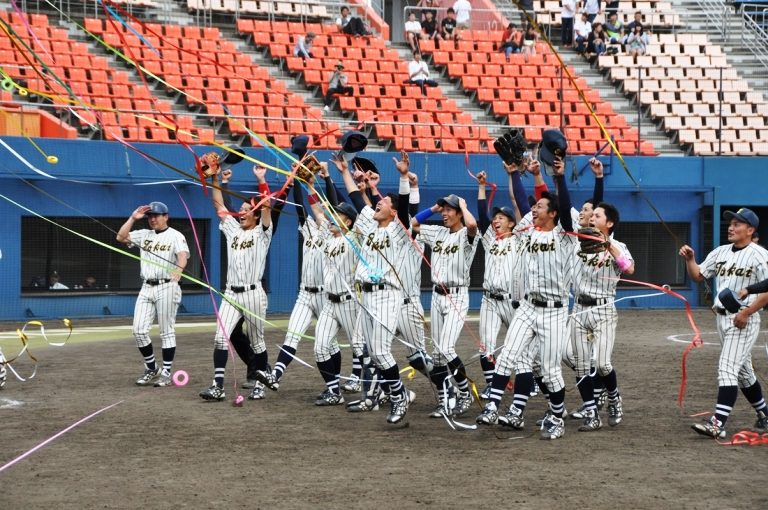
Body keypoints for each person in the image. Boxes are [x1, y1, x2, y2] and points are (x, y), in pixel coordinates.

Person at [476, 133, 577, 441]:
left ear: (554, 213)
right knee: (506, 357)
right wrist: (512, 175)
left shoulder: (564, 234)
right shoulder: (527, 230)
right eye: (535, 207)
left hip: (555, 313)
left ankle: (557, 417)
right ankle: (493, 406)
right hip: (529, 306)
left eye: (541, 207)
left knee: (549, 371)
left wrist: (558, 180)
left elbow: (565, 205)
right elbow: (522, 201)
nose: (534, 209)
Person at [337, 155, 415, 425]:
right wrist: (345, 171)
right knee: (372, 352)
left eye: (383, 202)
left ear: (392, 212)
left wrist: (403, 177)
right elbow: (357, 200)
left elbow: (404, 208)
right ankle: (399, 394)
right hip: (367, 295)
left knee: (381, 352)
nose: (378, 203)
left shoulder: (399, 230)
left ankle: (398, 396)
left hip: (387, 294)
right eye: (378, 201)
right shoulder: (370, 223)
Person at [679, 208, 768, 439]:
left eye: (738, 224)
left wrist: (747, 312)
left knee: (727, 368)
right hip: (722, 318)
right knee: (744, 373)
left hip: (743, 320)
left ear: (750, 230)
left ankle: (717, 423)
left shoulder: (759, 255)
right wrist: (691, 260)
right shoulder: (720, 252)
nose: (731, 227)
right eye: (730, 223)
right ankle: (765, 414)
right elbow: (698, 275)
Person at [198, 165, 273, 402]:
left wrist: (261, 180)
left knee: (257, 340)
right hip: (231, 294)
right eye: (239, 209)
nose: (240, 213)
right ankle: (217, 385)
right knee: (221, 337)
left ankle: (261, 382)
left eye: (246, 210)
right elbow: (219, 205)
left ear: (256, 213)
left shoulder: (262, 233)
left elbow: (268, 205)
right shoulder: (232, 230)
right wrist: (214, 178)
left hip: (253, 293)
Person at [411, 193, 479, 418]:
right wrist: (434, 207)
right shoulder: (438, 232)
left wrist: (462, 203)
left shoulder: (467, 235)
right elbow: (414, 223)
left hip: (457, 296)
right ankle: (445, 400)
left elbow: (471, 224)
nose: (445, 214)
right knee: (438, 356)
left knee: (446, 348)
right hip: (437, 296)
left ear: (459, 212)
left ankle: (464, 393)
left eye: (450, 210)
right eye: (445, 209)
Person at [568, 202, 634, 432]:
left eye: (597, 215)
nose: (592, 218)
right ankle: (592, 412)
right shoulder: (576, 242)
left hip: (603, 310)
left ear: (609, 223)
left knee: (603, 364)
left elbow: (628, 269)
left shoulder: (618, 246)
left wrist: (608, 245)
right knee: (581, 366)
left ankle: (614, 399)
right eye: (591, 215)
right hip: (578, 309)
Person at [116, 201, 189, 387]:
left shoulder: (175, 235)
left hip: (167, 285)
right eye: (150, 216)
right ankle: (152, 367)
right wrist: (133, 218)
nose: (153, 219)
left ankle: (166, 371)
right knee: (138, 330)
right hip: (146, 286)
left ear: (166, 216)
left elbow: (182, 255)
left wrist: (179, 269)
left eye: (156, 215)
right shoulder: (144, 235)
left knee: (166, 331)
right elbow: (121, 237)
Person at [475, 165, 524, 400]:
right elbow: (482, 216)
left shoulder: (519, 241)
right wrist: (481, 187)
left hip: (511, 301)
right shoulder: (489, 241)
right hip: (489, 300)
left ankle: (530, 380)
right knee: (485, 346)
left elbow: (519, 206)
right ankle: (490, 385)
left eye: (501, 217)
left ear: (512, 224)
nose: (496, 220)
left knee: (522, 345)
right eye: (496, 217)